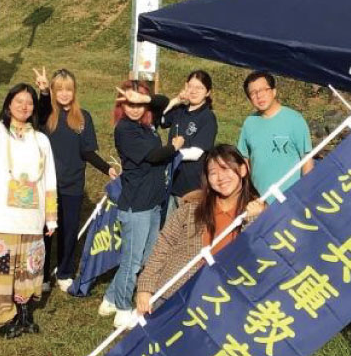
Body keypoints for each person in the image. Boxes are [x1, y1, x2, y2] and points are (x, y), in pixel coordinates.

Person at [132, 144, 279, 356]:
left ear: (243, 170)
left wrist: (259, 221)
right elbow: (164, 245)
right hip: (179, 296)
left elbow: (270, 258)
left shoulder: (259, 213)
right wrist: (145, 287)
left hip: (225, 303)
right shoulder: (191, 208)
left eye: (226, 169)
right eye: (212, 172)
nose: (219, 177)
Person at [0, 70, 57, 338]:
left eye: (29, 102)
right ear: (9, 104)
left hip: (31, 220)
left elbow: (49, 179)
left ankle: (23, 315)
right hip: (1, 218)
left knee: (28, 271)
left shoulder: (41, 140)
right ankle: (1, 320)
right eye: (18, 101)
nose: (24, 106)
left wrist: (51, 217)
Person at [100, 81, 184, 329]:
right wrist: (174, 147)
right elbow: (153, 156)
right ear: (122, 105)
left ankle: (110, 298)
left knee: (144, 257)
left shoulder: (146, 125)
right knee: (132, 260)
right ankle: (123, 309)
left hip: (153, 203)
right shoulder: (125, 130)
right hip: (135, 206)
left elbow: (161, 102)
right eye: (130, 104)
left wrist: (145, 98)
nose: (135, 109)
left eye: (139, 104)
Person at [33, 66, 117, 293]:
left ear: (74, 91)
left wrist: (107, 169)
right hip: (48, 185)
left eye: (68, 89)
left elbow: (87, 151)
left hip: (73, 184)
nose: (64, 94)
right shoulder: (46, 115)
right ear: (53, 91)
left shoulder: (83, 118)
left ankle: (65, 272)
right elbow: (38, 114)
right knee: (46, 231)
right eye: (58, 89)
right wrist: (42, 92)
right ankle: (41, 275)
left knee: (69, 230)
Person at [237, 70, 313, 195]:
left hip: (289, 198)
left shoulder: (294, 119)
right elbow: (244, 159)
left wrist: (305, 192)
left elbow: (307, 159)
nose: (259, 96)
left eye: (263, 90)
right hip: (259, 199)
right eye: (253, 93)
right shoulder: (249, 123)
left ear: (274, 91)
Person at [160, 69, 217, 221]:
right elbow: (161, 119)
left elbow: (196, 152)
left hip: (190, 186)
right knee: (166, 228)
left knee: (187, 230)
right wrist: (176, 100)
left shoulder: (208, 117)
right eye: (190, 86)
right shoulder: (180, 111)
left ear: (207, 92)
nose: (193, 91)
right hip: (170, 181)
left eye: (199, 88)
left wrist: (168, 153)